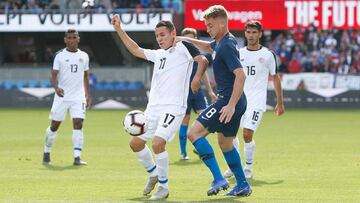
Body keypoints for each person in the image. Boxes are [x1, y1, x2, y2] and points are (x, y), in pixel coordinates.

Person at [111, 15, 209, 200]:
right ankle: (154, 173)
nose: (160, 38)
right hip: (153, 108)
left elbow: (202, 60)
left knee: (157, 143)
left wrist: (196, 79)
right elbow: (135, 49)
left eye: (163, 34)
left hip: (173, 107)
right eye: (157, 36)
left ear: (173, 34)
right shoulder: (158, 55)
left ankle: (164, 187)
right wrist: (119, 29)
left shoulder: (182, 47)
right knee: (135, 144)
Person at [176, 5, 251, 197]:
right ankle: (242, 185)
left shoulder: (225, 46)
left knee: (194, 133)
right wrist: (183, 39)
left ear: (221, 22)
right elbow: (208, 46)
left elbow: (241, 75)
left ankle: (218, 178)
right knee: (225, 143)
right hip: (236, 101)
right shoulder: (223, 41)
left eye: (210, 25)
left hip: (228, 101)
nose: (207, 29)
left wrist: (231, 105)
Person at [223, 20, 285, 179]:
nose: (251, 35)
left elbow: (275, 78)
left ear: (260, 34)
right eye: (248, 32)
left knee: (247, 134)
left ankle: (248, 169)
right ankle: (234, 166)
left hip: (257, 102)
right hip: (239, 100)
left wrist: (280, 102)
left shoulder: (268, 54)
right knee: (231, 135)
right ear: (245, 33)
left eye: (254, 32)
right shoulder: (239, 53)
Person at [42, 29, 91, 166]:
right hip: (62, 97)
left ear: (78, 39)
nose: (71, 40)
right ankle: (46, 151)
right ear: (65, 40)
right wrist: (56, 88)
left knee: (78, 124)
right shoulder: (59, 56)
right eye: (69, 38)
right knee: (54, 126)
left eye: (74, 37)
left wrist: (87, 94)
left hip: (78, 97)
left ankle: (77, 156)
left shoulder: (84, 56)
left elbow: (86, 76)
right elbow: (53, 75)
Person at [178, 27, 217, 160]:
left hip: (198, 92)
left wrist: (210, 91)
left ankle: (198, 145)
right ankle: (183, 153)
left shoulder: (199, 56)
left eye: (192, 38)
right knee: (185, 120)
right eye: (186, 38)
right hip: (184, 93)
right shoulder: (179, 56)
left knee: (207, 119)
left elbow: (203, 73)